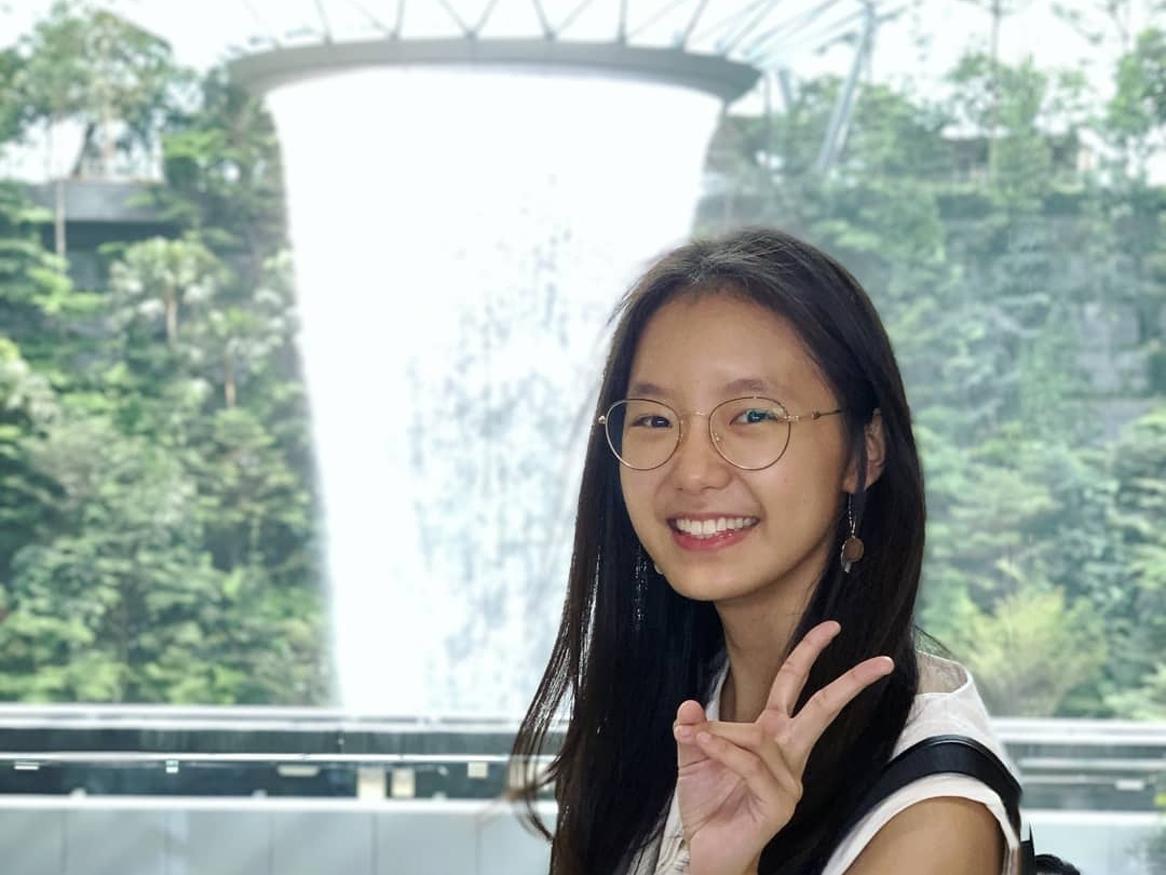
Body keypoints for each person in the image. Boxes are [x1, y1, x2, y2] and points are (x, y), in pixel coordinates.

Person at [508, 227, 1022, 874]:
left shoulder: (932, 814)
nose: (691, 471)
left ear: (865, 451)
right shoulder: (662, 705)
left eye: (752, 416)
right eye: (654, 419)